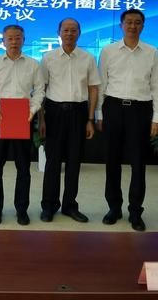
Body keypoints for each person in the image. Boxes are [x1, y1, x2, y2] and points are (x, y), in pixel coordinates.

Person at [96, 8, 158, 232]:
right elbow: (101, 84)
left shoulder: (151, 52)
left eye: (137, 22)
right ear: (121, 25)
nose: (132, 26)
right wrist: (99, 114)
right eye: (128, 22)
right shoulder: (108, 51)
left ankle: (135, 211)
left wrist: (156, 119)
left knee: (138, 164)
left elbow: (156, 87)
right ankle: (114, 208)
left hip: (140, 111)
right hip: (113, 108)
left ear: (142, 26)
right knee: (112, 162)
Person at [0, 25, 45, 226]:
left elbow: (40, 90)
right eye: (10, 38)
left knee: (23, 167)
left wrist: (32, 110)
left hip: (23, 115)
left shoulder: (33, 64)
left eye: (18, 37)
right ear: (3, 41)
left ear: (24, 40)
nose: (14, 41)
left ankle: (21, 210)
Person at [38, 18, 100, 223]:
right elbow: (41, 89)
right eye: (65, 30)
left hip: (79, 113)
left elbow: (93, 89)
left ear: (79, 33)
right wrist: (42, 119)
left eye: (74, 30)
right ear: (59, 32)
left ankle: (69, 206)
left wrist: (90, 119)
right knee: (52, 162)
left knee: (74, 161)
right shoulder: (48, 58)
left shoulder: (88, 58)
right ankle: (49, 206)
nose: (69, 34)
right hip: (54, 112)